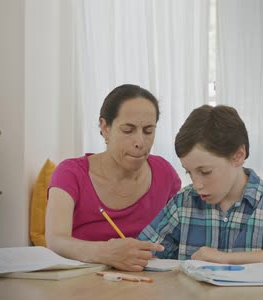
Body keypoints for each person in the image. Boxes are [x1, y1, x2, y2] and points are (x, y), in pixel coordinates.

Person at [138, 105, 263, 270]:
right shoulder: (183, 204)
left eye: (205, 172)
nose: (196, 185)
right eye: (189, 172)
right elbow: (143, 253)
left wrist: (225, 259)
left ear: (238, 156)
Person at [46, 84, 181, 271]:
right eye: (128, 130)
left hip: (149, 288)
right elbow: (55, 240)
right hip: (83, 288)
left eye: (149, 131)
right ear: (105, 127)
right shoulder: (70, 174)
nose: (140, 142)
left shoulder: (165, 173)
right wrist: (105, 253)